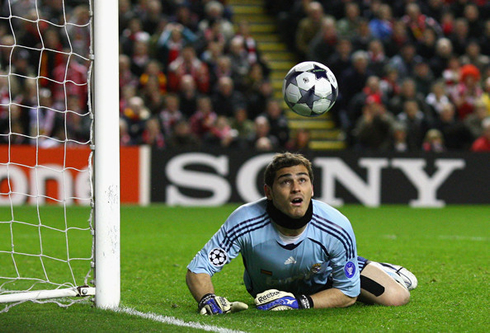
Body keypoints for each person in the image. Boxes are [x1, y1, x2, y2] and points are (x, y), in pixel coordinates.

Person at [186, 152, 417, 315]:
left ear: (312, 189)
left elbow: (347, 293)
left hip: (324, 279)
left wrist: (300, 303)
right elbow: (199, 268)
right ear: (268, 191)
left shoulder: (336, 225)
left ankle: (383, 269)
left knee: (397, 298)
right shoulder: (244, 220)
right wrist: (207, 298)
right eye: (286, 182)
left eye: (302, 180)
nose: (296, 188)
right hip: (265, 288)